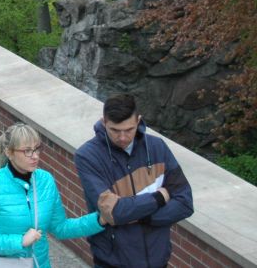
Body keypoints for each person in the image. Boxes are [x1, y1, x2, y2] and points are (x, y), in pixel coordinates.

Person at [75, 94, 194, 268]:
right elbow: (114, 212)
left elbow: (185, 203)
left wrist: (143, 217)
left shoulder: (157, 147)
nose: (123, 137)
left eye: (129, 129)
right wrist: (159, 198)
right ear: (104, 122)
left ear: (138, 121)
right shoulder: (87, 156)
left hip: (158, 260)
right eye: (115, 130)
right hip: (113, 262)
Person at [0, 123, 105, 267]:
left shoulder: (46, 180)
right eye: (27, 151)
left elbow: (60, 227)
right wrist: (20, 241)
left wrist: (99, 220)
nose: (35, 156)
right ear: (9, 152)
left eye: (37, 149)